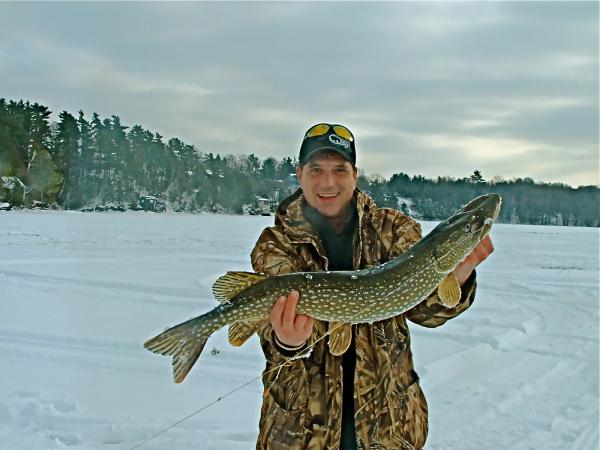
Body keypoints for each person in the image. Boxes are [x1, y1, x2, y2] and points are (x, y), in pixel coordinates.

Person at [249, 123, 494, 450]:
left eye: (340, 169)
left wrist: (459, 272)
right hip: (300, 432)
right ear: (299, 174)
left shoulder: (393, 229)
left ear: (354, 174)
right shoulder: (276, 245)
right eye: (316, 170)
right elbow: (266, 329)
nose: (328, 182)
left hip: (388, 427)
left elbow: (426, 311)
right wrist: (287, 341)